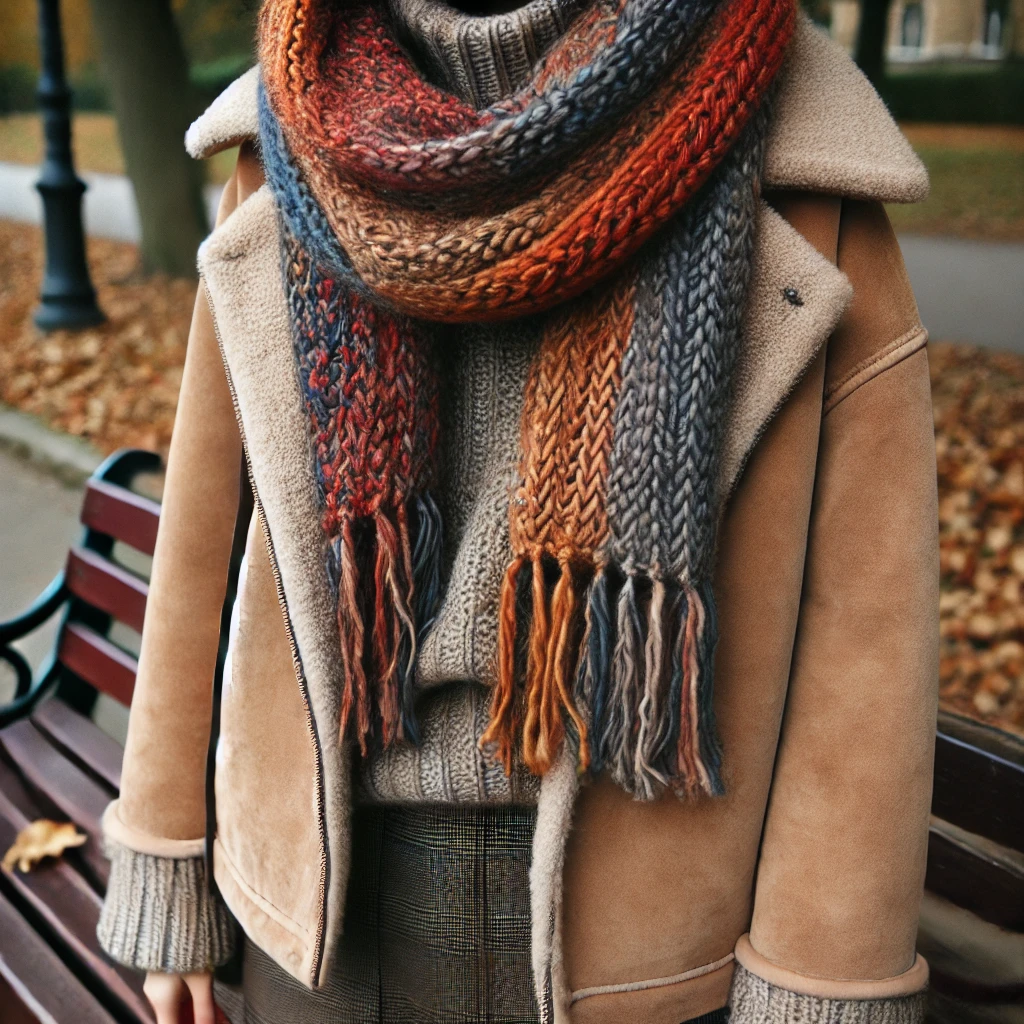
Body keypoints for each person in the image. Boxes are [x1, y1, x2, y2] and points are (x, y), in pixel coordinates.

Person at [96, 0, 939, 1021]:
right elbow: (205, 536)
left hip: (648, 943)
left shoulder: (791, 142)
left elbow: (866, 627)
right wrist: (166, 859)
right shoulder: (293, 129)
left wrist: (821, 978)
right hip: (320, 902)